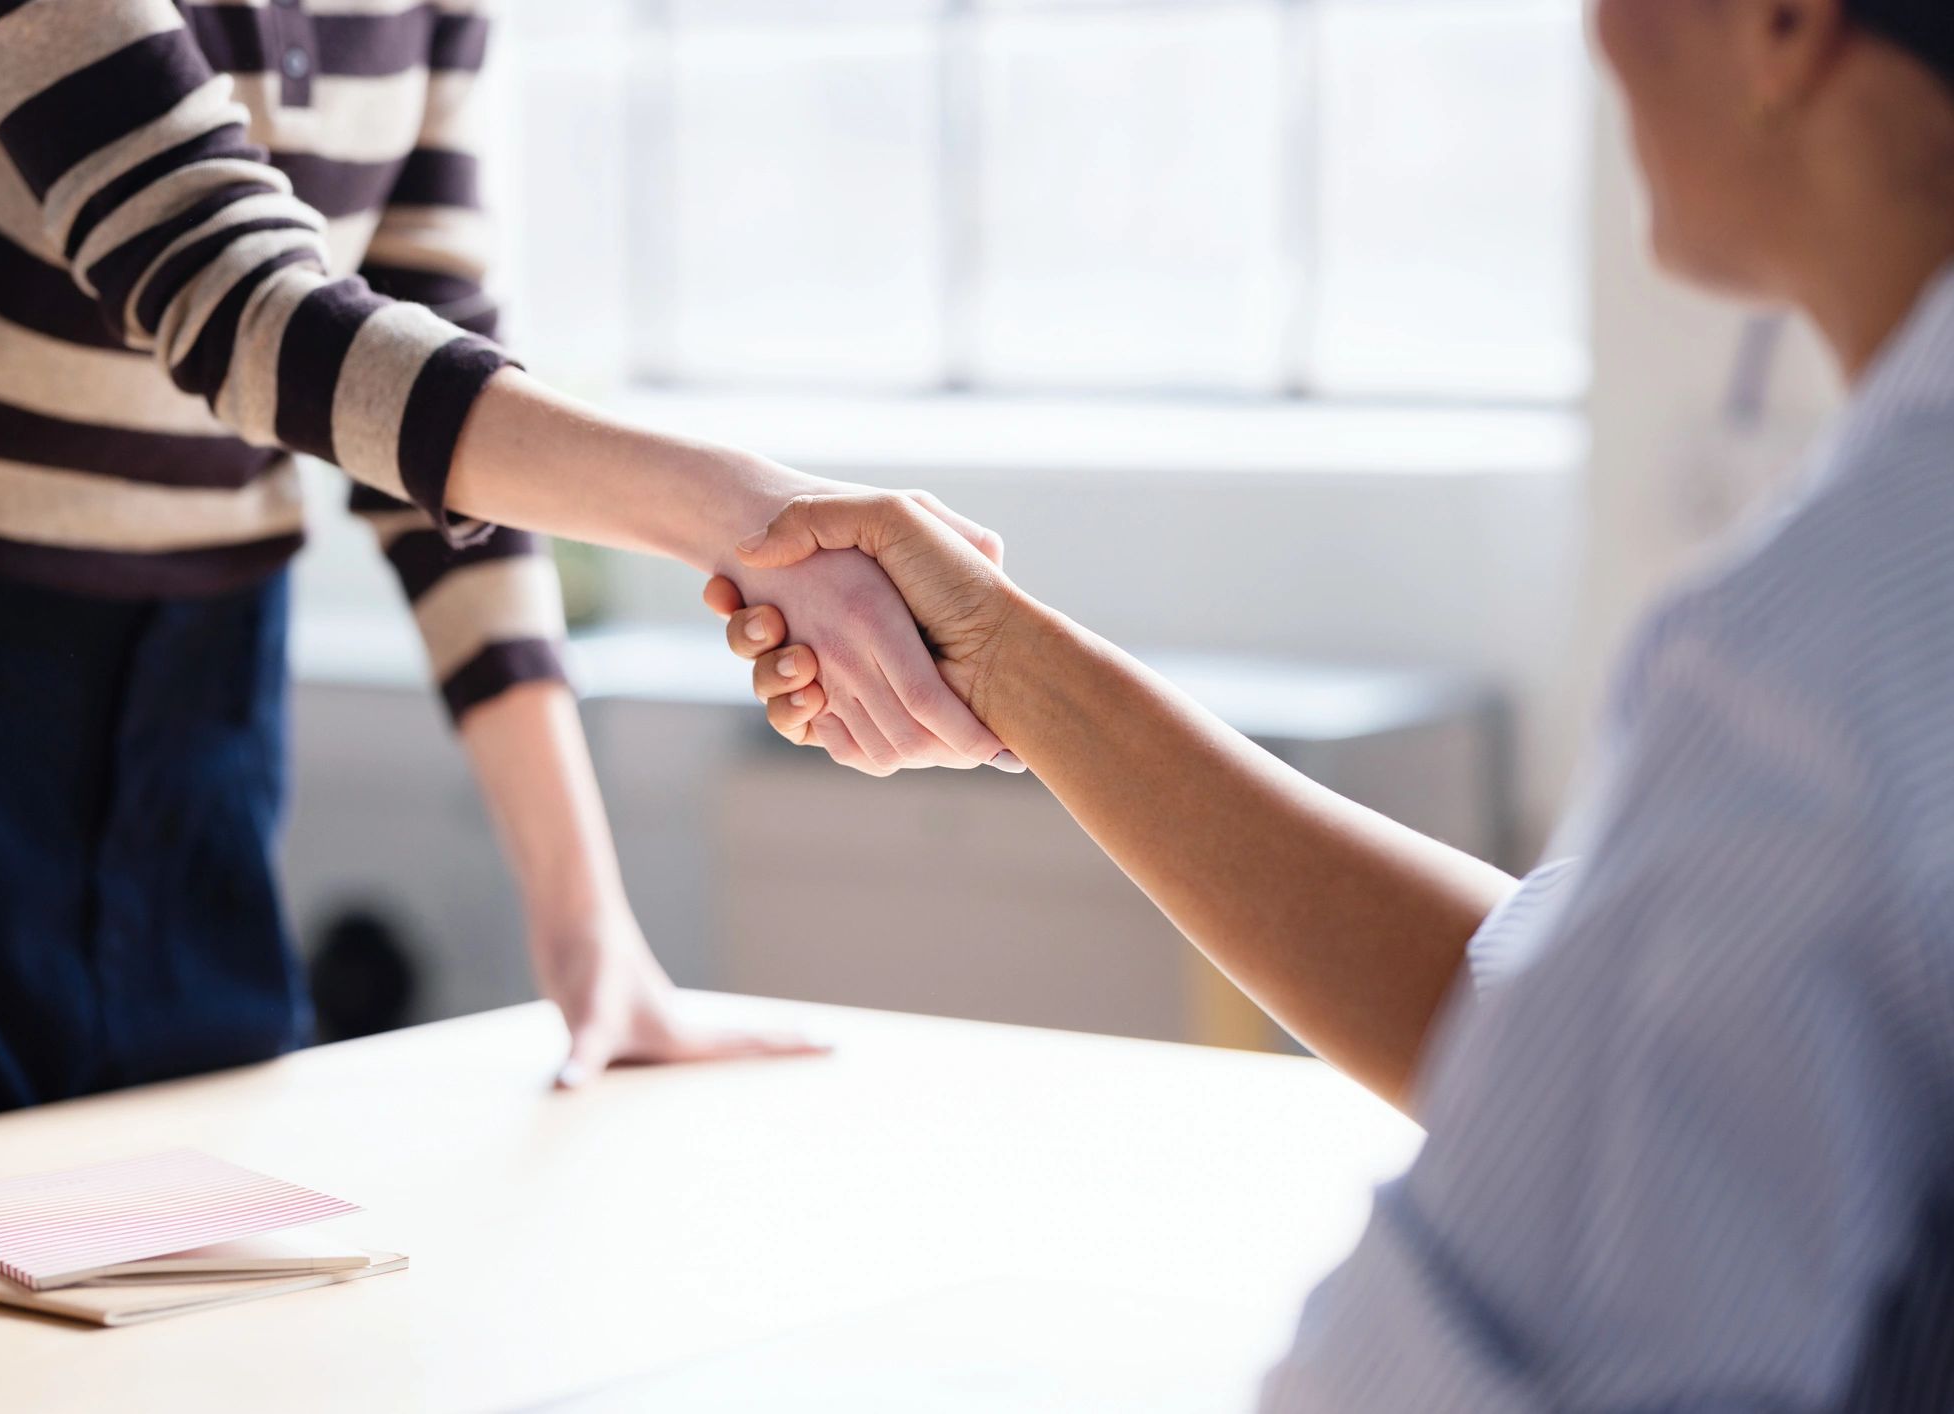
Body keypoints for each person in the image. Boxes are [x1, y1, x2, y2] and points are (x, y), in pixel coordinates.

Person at [711, 0, 1954, 1404]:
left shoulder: (1832, 637)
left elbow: (1479, 1356)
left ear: (1781, 24)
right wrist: (1001, 658)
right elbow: (1569, 1039)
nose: (1598, 38)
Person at [0, 0, 1016, 1146]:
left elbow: (428, 343)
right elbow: (224, 288)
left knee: (180, 1251)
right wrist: (753, 519)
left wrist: (586, 930)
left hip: (202, 687)